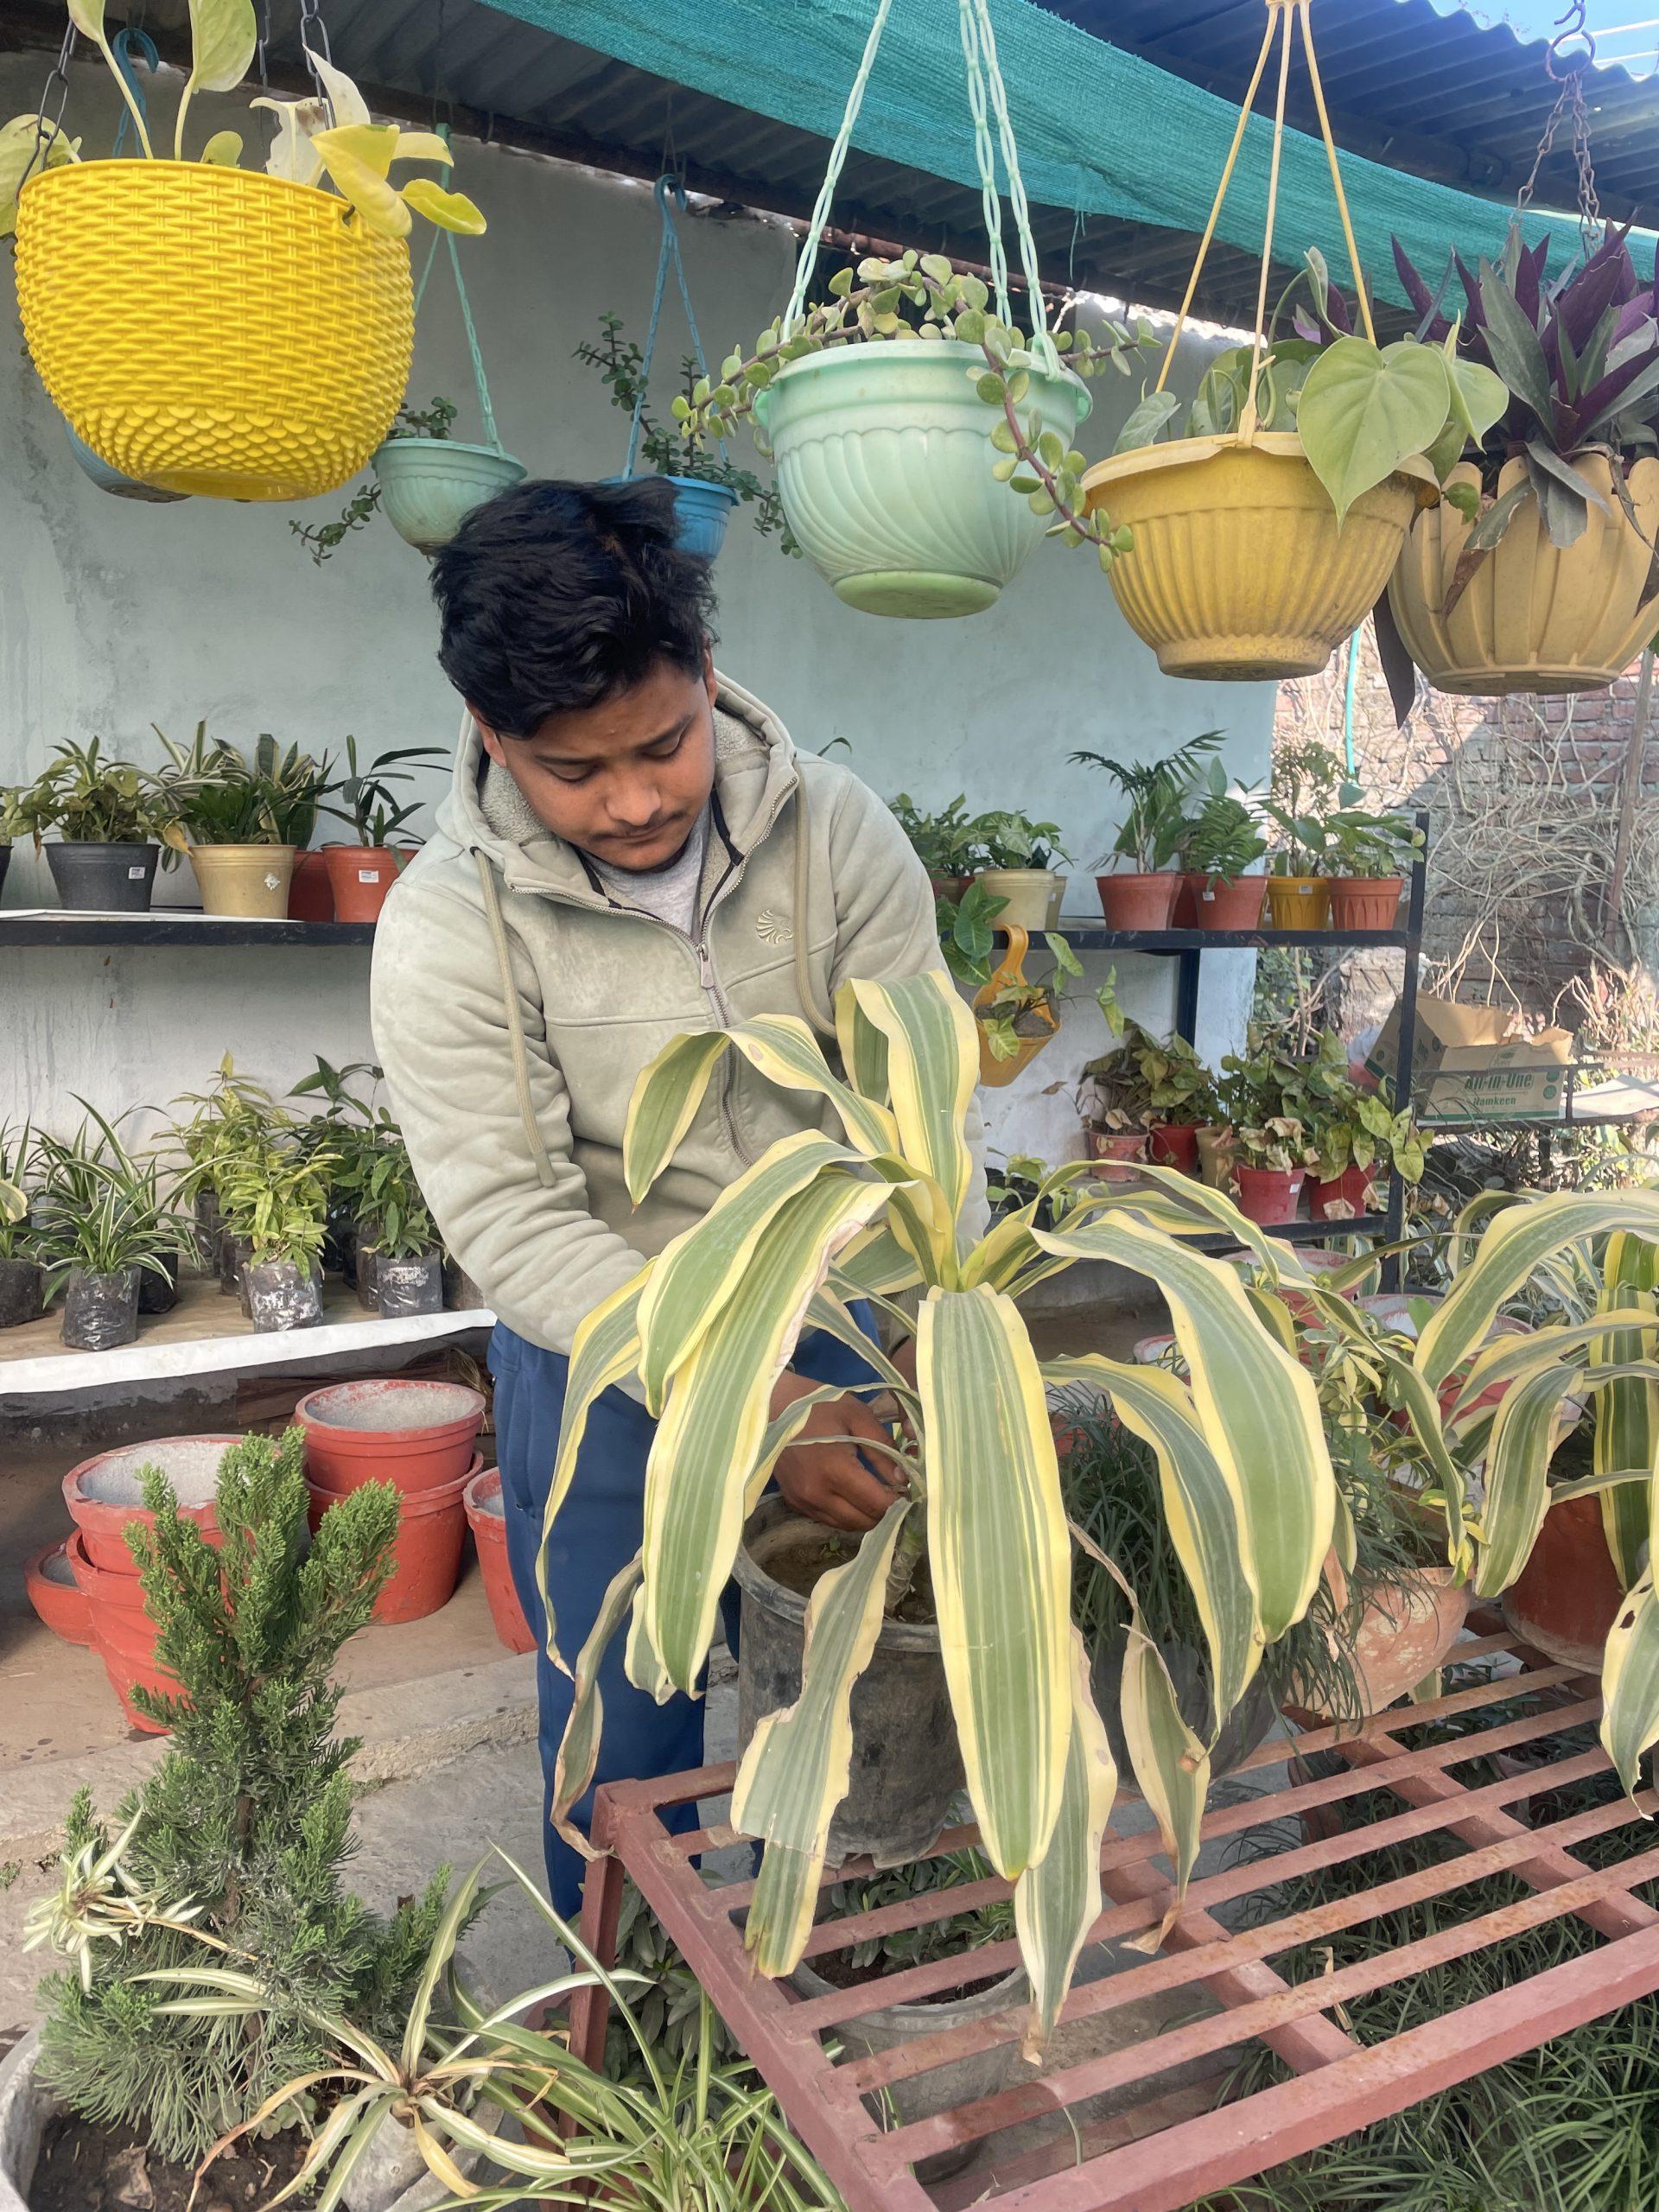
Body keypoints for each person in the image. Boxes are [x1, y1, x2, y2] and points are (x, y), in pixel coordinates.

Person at [371, 477, 981, 1915]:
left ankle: (828, 1963)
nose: (635, 800)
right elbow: (516, 1223)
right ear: (491, 734)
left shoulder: (837, 836)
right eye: (575, 772)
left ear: (708, 677)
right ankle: (641, 2017)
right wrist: (746, 1404)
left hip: (836, 1329)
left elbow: (919, 1105)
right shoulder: (450, 925)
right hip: (601, 1356)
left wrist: (910, 1345)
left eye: (665, 744)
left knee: (846, 1690)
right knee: (621, 1718)